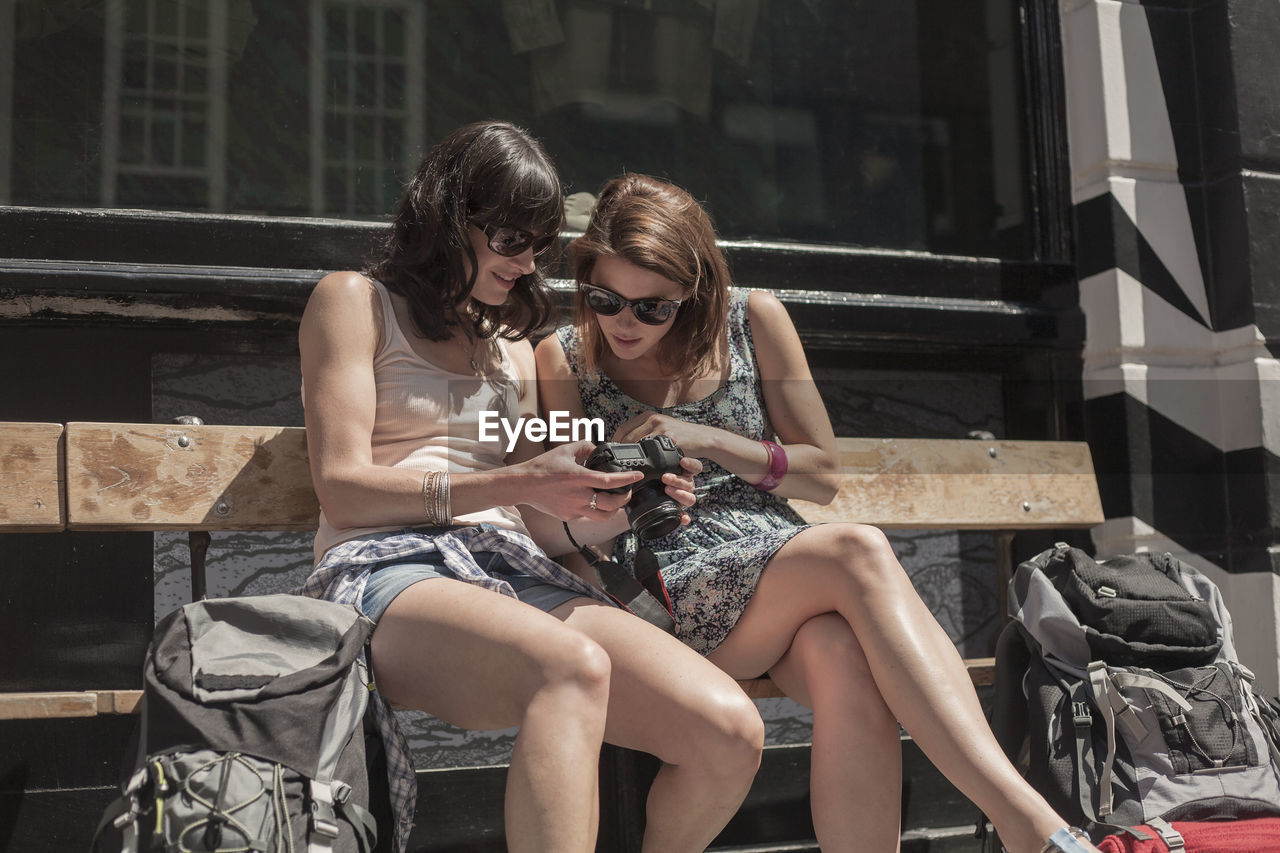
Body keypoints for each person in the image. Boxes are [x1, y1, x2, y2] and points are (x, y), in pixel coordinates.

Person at [535, 172, 1103, 853]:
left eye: (651, 307)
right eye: (605, 299)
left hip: (780, 570)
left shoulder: (754, 321)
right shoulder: (563, 357)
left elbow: (822, 472)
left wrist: (707, 439)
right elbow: (561, 514)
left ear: (694, 293)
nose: (624, 322)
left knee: (844, 661)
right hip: (663, 585)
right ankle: (1029, 823)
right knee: (856, 550)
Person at [296, 124, 763, 853]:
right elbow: (342, 490)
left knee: (728, 731)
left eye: (541, 245)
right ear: (453, 220)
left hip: (513, 571)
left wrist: (606, 503)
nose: (528, 263)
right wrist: (520, 479)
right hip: (386, 570)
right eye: (513, 238)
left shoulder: (516, 347)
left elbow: (539, 520)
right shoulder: (355, 303)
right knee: (569, 665)